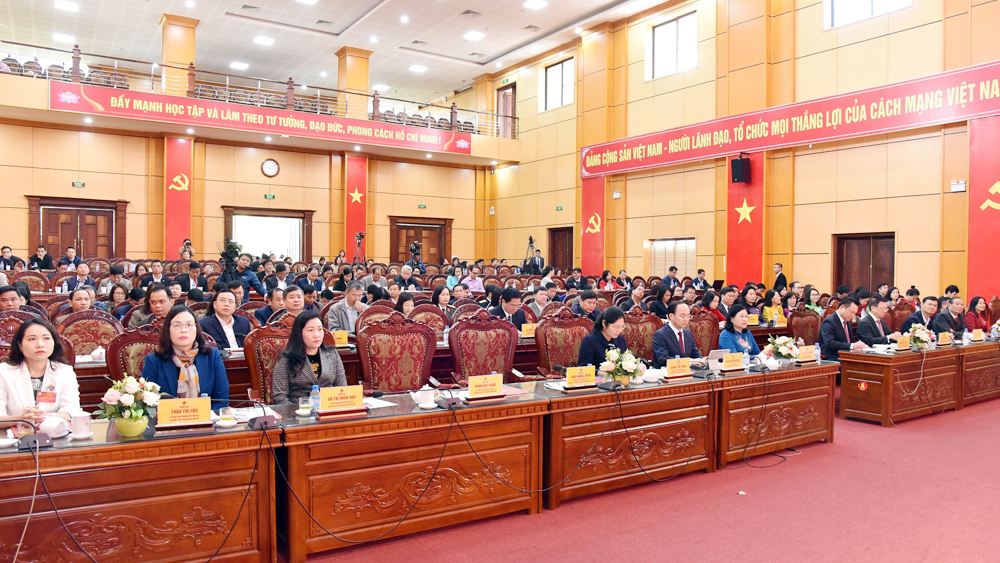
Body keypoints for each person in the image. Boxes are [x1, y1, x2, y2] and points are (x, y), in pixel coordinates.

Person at [142, 306, 229, 410]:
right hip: (170, 422)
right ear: (167, 329)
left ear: (196, 328)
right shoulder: (154, 361)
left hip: (206, 421)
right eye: (177, 325)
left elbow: (222, 400)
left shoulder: (212, 356)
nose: (183, 330)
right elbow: (149, 404)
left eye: (189, 325)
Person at [0, 319, 80, 427]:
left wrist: (45, 417)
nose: (40, 344)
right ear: (20, 345)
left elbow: (71, 409)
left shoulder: (65, 372)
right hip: (13, 437)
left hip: (54, 435)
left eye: (46, 338)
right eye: (32, 339)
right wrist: (21, 419)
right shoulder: (3, 372)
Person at [271, 311, 347, 405]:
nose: (317, 335)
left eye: (320, 329)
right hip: (298, 412)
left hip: (329, 409)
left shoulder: (332, 354)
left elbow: (342, 388)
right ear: (299, 333)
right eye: (311, 330)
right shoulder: (286, 359)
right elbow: (280, 397)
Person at [652, 301, 704, 367]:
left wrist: (701, 360)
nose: (686, 319)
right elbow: (664, 359)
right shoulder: (660, 335)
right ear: (671, 316)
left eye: (688, 316)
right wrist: (689, 362)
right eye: (683, 316)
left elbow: (695, 353)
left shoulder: (688, 333)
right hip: (668, 373)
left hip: (688, 372)